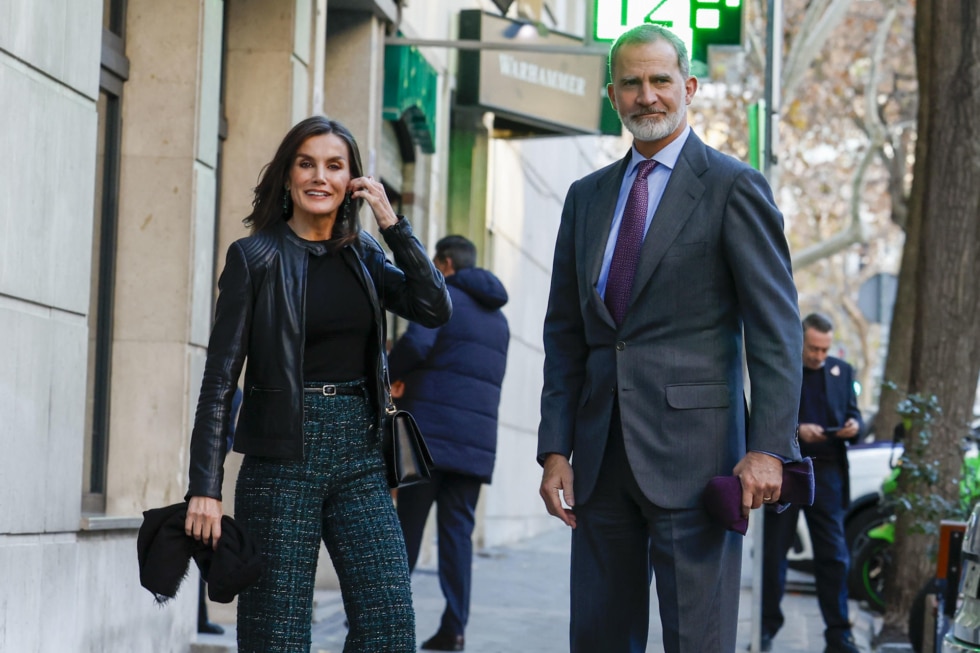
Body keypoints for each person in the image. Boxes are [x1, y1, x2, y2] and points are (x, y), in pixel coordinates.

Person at [536, 24, 803, 653]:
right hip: (600, 462)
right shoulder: (585, 197)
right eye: (631, 82)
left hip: (700, 458)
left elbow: (775, 328)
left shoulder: (734, 186)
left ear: (689, 87)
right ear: (612, 94)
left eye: (660, 80)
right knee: (598, 637)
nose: (646, 95)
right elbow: (565, 334)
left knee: (698, 639)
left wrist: (769, 446)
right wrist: (554, 449)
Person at [183, 115, 452, 653]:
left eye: (334, 165)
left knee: (390, 626)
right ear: (287, 176)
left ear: (351, 178)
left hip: (360, 454)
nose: (319, 177)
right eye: (306, 164)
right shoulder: (254, 258)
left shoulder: (364, 254)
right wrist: (205, 489)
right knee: (275, 635)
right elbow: (219, 382)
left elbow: (433, 306)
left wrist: (391, 222)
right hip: (280, 460)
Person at [388, 235, 510, 652]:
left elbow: (417, 345)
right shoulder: (499, 320)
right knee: (457, 536)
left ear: (443, 265)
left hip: (429, 438)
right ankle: (454, 628)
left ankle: (386, 617)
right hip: (473, 446)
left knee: (407, 530)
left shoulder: (440, 297)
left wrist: (387, 375)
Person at [761, 313, 863, 653]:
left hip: (828, 474)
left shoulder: (842, 371)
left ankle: (839, 634)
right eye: (813, 348)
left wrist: (853, 425)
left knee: (834, 555)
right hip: (788, 472)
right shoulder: (785, 367)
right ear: (801, 340)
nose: (819, 355)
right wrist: (797, 431)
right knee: (773, 555)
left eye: (824, 349)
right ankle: (765, 627)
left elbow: (855, 413)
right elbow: (767, 416)